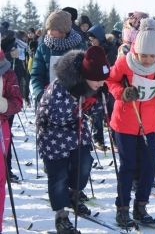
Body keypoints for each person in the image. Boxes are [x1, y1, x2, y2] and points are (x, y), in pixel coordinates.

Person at [36, 46, 110, 233]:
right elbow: (55, 116)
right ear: (86, 74)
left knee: (84, 164)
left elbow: (90, 112)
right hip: (53, 134)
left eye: (103, 80)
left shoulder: (92, 85)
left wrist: (101, 99)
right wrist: (73, 96)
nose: (101, 83)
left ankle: (73, 195)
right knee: (59, 175)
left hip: (76, 130)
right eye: (98, 80)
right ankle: (61, 215)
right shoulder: (61, 86)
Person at [106, 18, 155, 228]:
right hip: (124, 122)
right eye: (143, 55)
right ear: (136, 51)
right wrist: (122, 93)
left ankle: (140, 206)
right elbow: (111, 81)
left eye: (152, 56)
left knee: (149, 166)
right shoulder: (125, 62)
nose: (147, 60)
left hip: (149, 123)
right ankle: (122, 208)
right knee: (128, 166)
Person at [31, 10, 86, 104]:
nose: (49, 32)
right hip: (48, 99)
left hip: (74, 99)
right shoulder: (43, 49)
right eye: (48, 29)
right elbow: (37, 74)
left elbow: (87, 74)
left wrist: (81, 92)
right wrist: (39, 93)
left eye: (52, 29)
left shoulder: (79, 48)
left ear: (63, 30)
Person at [0, 49, 22, 234]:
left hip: (1, 125)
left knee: (0, 176)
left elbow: (17, 101)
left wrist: (4, 104)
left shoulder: (6, 71)